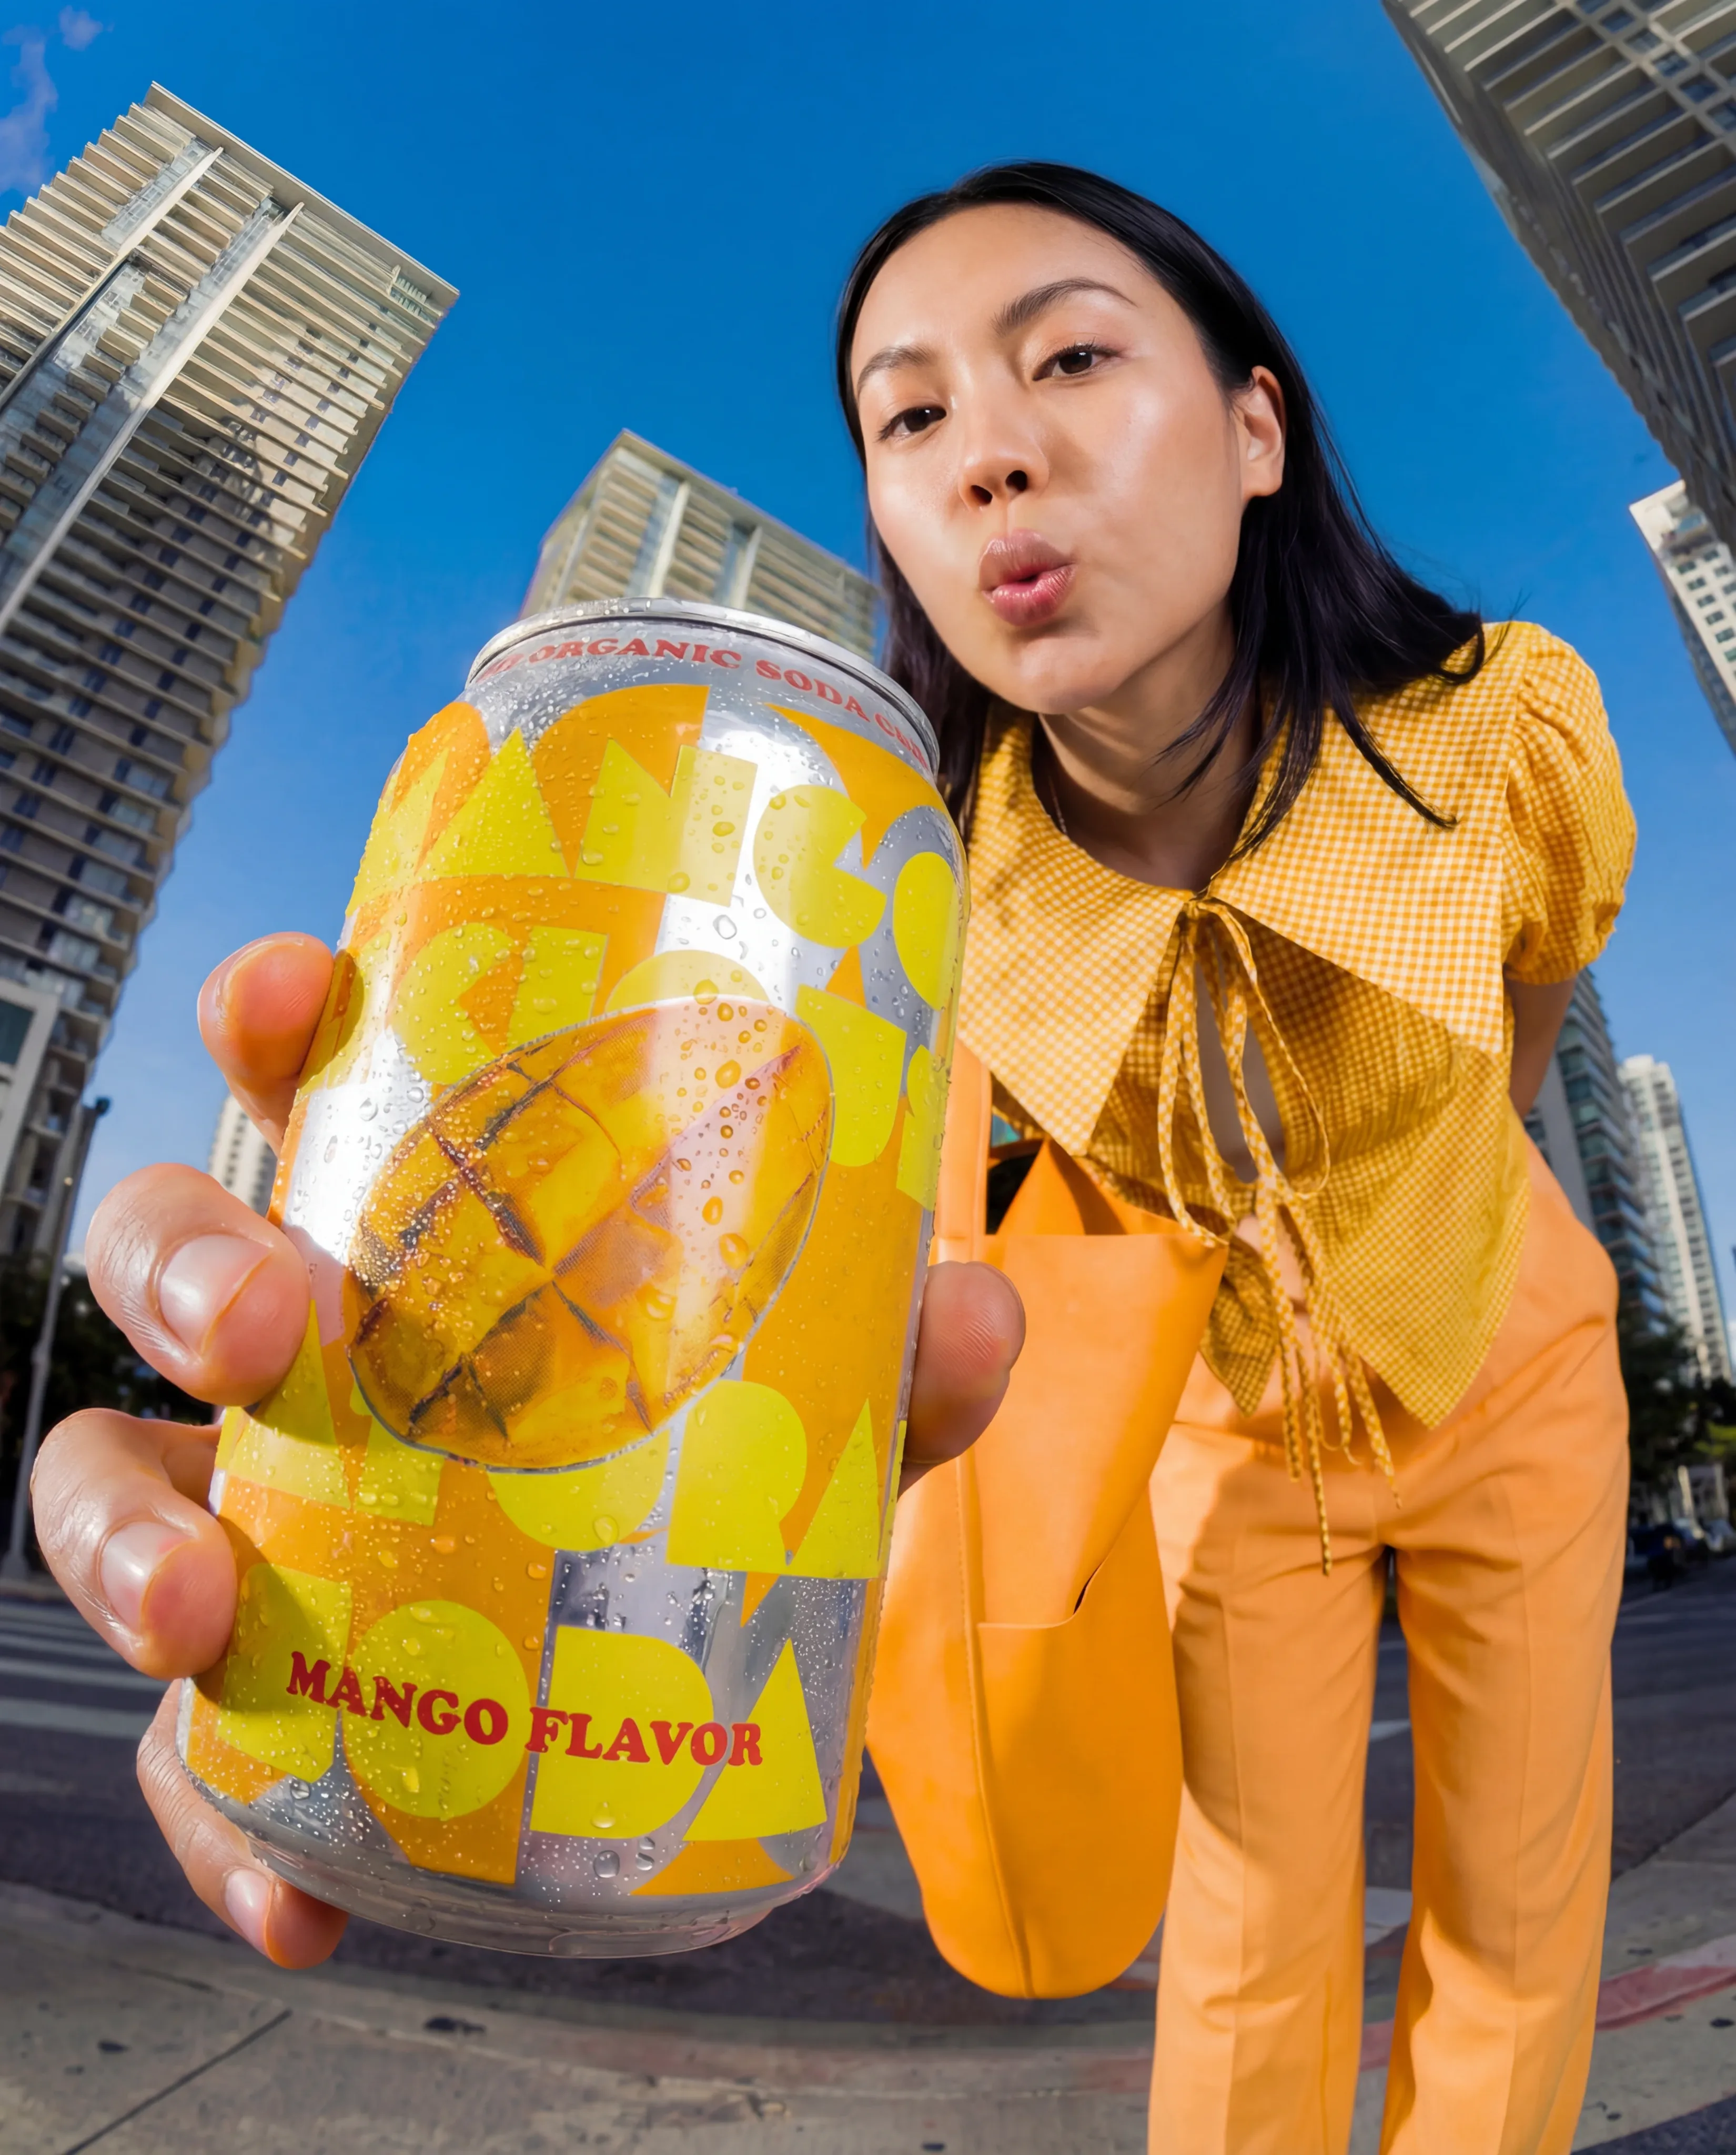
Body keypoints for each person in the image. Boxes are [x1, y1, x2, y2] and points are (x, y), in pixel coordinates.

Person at [33, 159, 1630, 2153]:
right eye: (913, 415)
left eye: (1068, 358)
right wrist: (403, 1432)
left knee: (1513, 1890)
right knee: (1249, 1917)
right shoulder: (904, 894)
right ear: (885, 509)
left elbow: (1532, 1002)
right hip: (1231, 1435)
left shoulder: (1504, 723)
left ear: (1250, 429)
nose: (990, 460)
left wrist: (1431, 1226)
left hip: (1516, 1348)